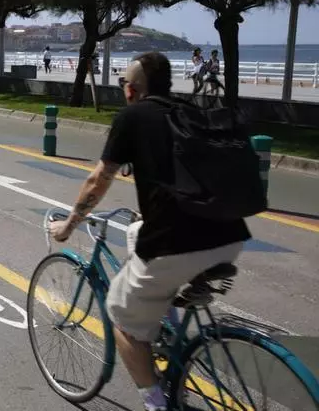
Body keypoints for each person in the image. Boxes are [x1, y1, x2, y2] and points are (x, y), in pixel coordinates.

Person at [49, 52, 250, 411]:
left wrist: (69, 225)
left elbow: (99, 180)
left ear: (132, 89)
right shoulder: (188, 111)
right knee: (137, 232)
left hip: (176, 245)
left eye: (124, 83)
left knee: (121, 319)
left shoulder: (132, 117)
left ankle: (156, 404)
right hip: (229, 235)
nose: (123, 90)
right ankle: (162, 324)